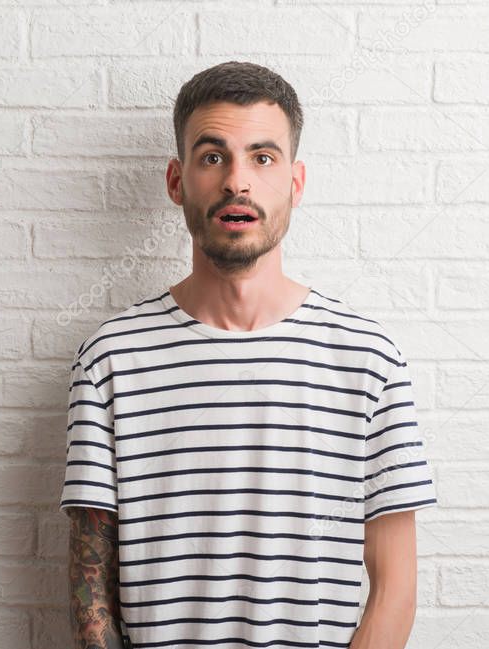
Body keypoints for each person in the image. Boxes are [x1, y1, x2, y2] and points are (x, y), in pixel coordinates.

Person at [59, 60, 438, 649]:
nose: (238, 181)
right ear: (176, 181)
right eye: (213, 157)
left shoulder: (368, 360)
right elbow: (91, 593)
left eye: (263, 158)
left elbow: (396, 590)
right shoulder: (110, 360)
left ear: (296, 182)